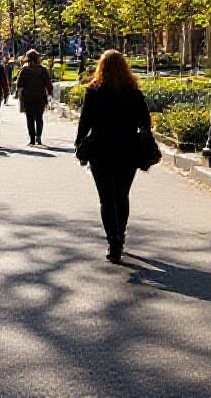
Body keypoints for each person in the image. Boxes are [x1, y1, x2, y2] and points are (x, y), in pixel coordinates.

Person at [74, 49, 152, 264]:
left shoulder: (94, 91)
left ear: (102, 67)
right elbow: (146, 121)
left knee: (106, 199)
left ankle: (113, 241)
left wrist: (79, 145)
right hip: (127, 150)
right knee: (122, 195)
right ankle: (121, 234)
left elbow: (85, 122)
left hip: (100, 150)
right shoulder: (133, 91)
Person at [15, 48, 53, 146]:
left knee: (30, 118)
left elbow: (19, 85)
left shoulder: (24, 69)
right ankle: (38, 137)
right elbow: (48, 84)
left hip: (28, 97)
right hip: (40, 97)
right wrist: (50, 94)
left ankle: (32, 139)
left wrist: (19, 95)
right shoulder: (43, 69)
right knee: (39, 117)